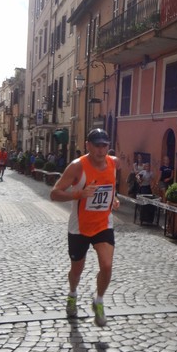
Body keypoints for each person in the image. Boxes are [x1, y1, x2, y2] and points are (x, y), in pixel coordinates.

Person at [50, 128, 120, 327]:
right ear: (87, 145)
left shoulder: (114, 163)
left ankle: (98, 301)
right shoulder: (77, 167)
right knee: (77, 270)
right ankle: (72, 294)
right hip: (79, 227)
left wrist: (113, 199)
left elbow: (110, 187)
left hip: (103, 224)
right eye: (96, 145)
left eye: (104, 145)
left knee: (106, 266)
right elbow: (54, 194)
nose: (100, 150)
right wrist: (78, 195)